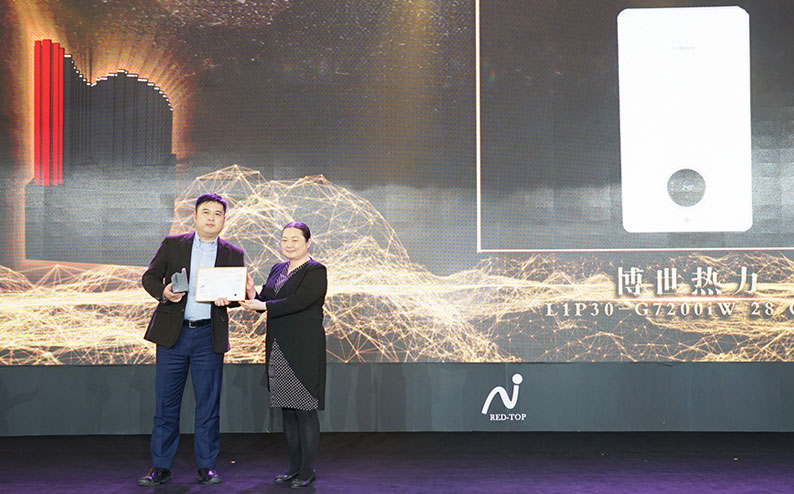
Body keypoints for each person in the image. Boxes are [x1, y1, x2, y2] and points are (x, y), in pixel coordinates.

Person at [138, 193, 245, 486]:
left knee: (208, 405)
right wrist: (164, 293)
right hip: (173, 336)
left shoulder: (233, 253)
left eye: (217, 214)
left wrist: (232, 298)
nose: (211, 218)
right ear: (195, 216)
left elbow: (236, 296)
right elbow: (149, 277)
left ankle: (206, 466)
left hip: (208, 337)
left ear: (224, 220)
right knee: (166, 404)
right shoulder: (173, 244)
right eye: (206, 212)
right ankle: (160, 467)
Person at [241, 221, 327, 489]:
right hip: (278, 347)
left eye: (295, 240)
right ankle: (293, 467)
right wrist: (251, 291)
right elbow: (264, 300)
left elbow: (298, 302)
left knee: (305, 410)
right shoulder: (277, 268)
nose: (289, 244)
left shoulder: (316, 270)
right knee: (288, 411)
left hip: (303, 348)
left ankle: (307, 470)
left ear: (308, 242)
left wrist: (264, 305)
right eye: (284, 239)